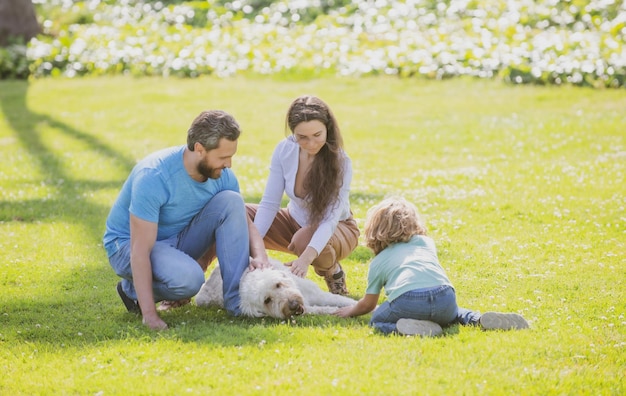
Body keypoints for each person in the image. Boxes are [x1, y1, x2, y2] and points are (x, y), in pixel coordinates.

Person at [103, 110, 271, 331]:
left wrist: (260, 256)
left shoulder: (223, 176)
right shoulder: (154, 176)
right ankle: (131, 292)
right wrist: (150, 315)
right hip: (128, 245)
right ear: (199, 149)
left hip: (177, 239)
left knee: (232, 201)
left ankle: (236, 303)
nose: (229, 164)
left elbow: (245, 222)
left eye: (231, 156)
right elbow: (139, 250)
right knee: (190, 280)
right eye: (222, 157)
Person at [334, 197, 529, 336]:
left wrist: (350, 311)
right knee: (455, 313)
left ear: (374, 230)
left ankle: (410, 328)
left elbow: (368, 304)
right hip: (445, 295)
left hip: (409, 300)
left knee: (378, 320)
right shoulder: (426, 243)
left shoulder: (379, 261)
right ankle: (478, 319)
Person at [246, 95, 360, 295]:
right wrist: (255, 249)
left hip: (337, 229)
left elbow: (330, 219)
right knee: (238, 213)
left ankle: (333, 272)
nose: (311, 143)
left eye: (317, 135)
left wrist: (305, 259)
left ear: (328, 129)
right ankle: (225, 276)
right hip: (293, 221)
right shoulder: (284, 149)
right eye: (302, 137)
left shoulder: (341, 162)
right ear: (292, 133)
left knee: (303, 239)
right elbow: (270, 203)